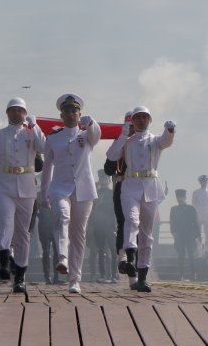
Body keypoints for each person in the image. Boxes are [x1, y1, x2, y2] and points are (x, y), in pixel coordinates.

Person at [105, 105, 176, 293]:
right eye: (138, 117)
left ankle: (143, 276)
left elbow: (166, 142)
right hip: (130, 185)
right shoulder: (127, 141)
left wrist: (170, 131)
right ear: (132, 121)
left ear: (149, 120)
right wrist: (122, 135)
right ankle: (129, 257)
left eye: (145, 117)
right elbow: (111, 156)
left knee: (147, 233)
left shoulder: (155, 140)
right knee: (131, 220)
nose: (141, 120)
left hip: (150, 185)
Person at [40, 93, 101, 294]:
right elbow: (47, 167)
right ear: (61, 114)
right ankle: (62, 258)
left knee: (78, 234)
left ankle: (74, 279)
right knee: (62, 216)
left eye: (74, 110)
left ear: (79, 113)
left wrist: (91, 123)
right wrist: (43, 194)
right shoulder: (53, 139)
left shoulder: (86, 135)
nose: (71, 114)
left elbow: (96, 135)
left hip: (83, 189)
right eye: (66, 111)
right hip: (59, 187)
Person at [0, 97, 46, 293]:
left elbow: (44, 148)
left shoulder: (31, 133)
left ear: (25, 113)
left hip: (27, 187)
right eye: (13, 110)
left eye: (20, 111)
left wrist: (35, 126)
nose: (16, 114)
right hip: (3, 185)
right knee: (5, 222)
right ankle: (3, 262)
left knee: (23, 234)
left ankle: (20, 276)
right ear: (7, 113)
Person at [104, 110, 134, 287]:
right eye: (128, 125)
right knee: (124, 222)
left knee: (139, 226)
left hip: (141, 186)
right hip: (122, 185)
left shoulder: (145, 142)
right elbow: (108, 169)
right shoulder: (119, 142)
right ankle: (123, 256)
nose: (131, 129)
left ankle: (136, 269)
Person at [87, 170, 116, 283]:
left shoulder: (112, 193)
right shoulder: (95, 193)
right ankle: (103, 274)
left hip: (110, 224)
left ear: (108, 180)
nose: (103, 180)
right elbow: (91, 211)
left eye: (105, 178)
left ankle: (113, 275)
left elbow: (116, 210)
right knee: (100, 250)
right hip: (98, 225)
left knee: (113, 251)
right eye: (102, 178)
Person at [170, 189, 200, 281]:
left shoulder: (191, 208)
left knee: (191, 255)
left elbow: (195, 223)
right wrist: (174, 233)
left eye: (181, 196)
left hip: (190, 235)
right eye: (178, 196)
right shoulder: (174, 209)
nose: (180, 198)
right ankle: (181, 274)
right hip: (179, 235)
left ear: (185, 197)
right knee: (181, 256)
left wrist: (197, 236)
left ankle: (193, 274)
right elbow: (172, 222)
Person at [36, 200, 61, 284]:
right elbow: (35, 211)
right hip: (44, 227)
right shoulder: (41, 195)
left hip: (55, 226)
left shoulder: (56, 193)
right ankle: (47, 277)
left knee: (57, 252)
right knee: (46, 252)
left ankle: (56, 277)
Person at [191, 175, 208, 243]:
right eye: (202, 181)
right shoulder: (195, 192)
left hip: (207, 215)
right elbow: (193, 205)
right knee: (198, 233)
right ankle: (199, 250)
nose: (204, 183)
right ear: (200, 182)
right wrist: (193, 217)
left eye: (205, 181)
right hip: (198, 215)